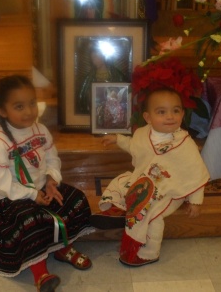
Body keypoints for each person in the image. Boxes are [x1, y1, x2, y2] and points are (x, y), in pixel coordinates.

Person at [0, 75, 95, 292]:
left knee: (75, 199)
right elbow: (0, 183)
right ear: (2, 111)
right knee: (31, 219)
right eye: (19, 106)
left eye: (32, 103)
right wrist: (32, 195)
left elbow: (52, 158)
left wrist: (52, 180)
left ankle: (63, 247)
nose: (29, 111)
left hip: (42, 188)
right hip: (12, 198)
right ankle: (40, 272)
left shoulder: (40, 130)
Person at [90, 88, 210, 267]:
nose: (170, 116)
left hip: (169, 190)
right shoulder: (144, 134)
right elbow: (134, 146)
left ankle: (149, 252)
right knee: (121, 182)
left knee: (152, 215)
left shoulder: (184, 143)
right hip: (144, 181)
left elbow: (195, 173)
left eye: (175, 111)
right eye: (162, 112)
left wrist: (195, 201)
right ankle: (115, 208)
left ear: (182, 114)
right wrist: (118, 139)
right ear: (148, 117)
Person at [77, 47, 126, 114]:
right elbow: (84, 95)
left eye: (96, 57)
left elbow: (122, 91)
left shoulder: (116, 75)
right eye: (93, 59)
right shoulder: (89, 77)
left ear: (103, 57)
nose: (94, 61)